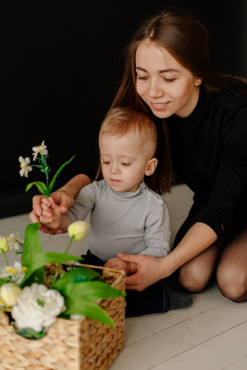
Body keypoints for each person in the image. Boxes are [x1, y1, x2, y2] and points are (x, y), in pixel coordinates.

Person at [30, 8, 247, 303]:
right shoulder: (148, 109)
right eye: (142, 76)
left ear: (197, 75)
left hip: (231, 203)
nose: (153, 91)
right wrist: (65, 194)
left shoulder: (236, 113)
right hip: (217, 201)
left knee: (233, 283)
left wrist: (161, 267)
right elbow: (101, 165)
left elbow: (222, 211)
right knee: (190, 278)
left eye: (168, 78)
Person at [39, 107, 193, 316]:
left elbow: (159, 249)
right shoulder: (94, 191)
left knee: (118, 301)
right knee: (64, 284)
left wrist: (128, 265)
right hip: (96, 261)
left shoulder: (154, 206)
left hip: (131, 269)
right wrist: (57, 220)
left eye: (125, 163)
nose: (113, 170)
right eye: (107, 161)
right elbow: (73, 218)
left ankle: (162, 298)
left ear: (149, 167)